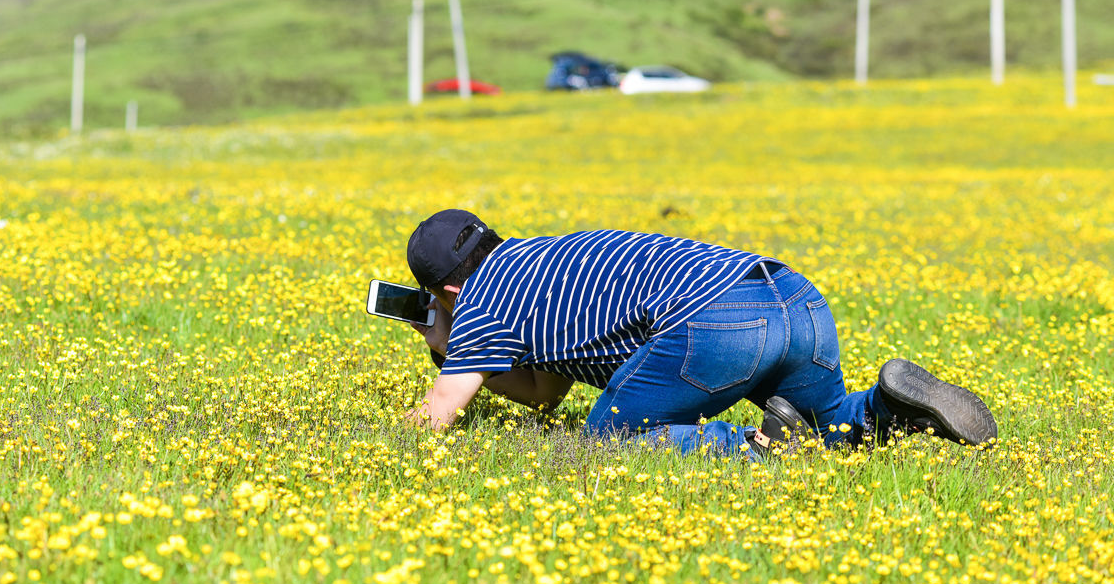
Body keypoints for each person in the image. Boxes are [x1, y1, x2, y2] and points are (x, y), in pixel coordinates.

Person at [403, 209, 998, 458]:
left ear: (447, 292)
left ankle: (750, 448)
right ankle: (889, 405)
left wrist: (445, 349)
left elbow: (437, 417)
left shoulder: (478, 301)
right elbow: (544, 393)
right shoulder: (542, 256)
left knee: (605, 437)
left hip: (718, 323)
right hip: (791, 294)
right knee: (830, 427)